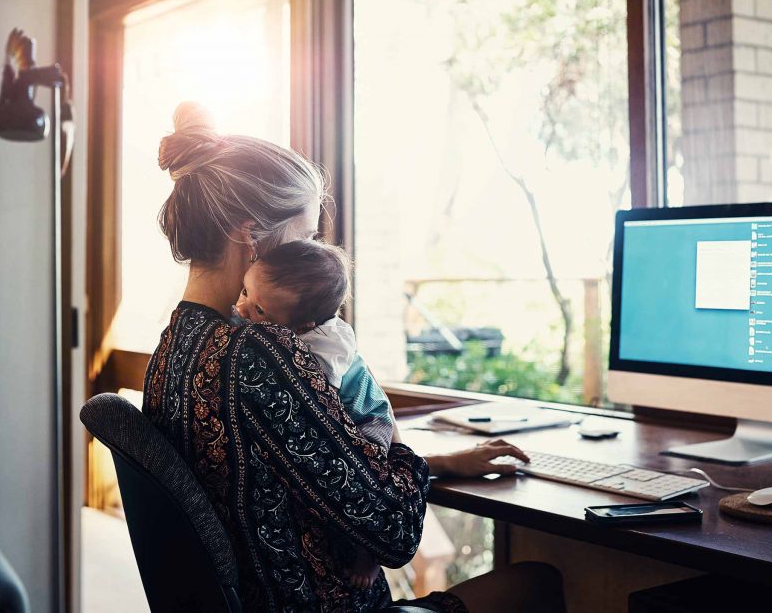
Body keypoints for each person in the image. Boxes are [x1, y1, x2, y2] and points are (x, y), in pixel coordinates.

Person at [143, 102, 567, 613]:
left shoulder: (175, 346)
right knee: (536, 583)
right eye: (303, 238)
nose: (310, 256)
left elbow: (297, 473)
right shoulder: (261, 352)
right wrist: (403, 451)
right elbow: (394, 532)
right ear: (249, 235)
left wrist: (438, 464)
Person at [230, 238, 394, 588]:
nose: (242, 308)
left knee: (365, 478)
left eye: (258, 310)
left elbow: (320, 400)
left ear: (302, 326)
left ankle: (369, 554)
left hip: (369, 418)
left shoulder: (325, 348)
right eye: (245, 291)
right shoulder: (280, 322)